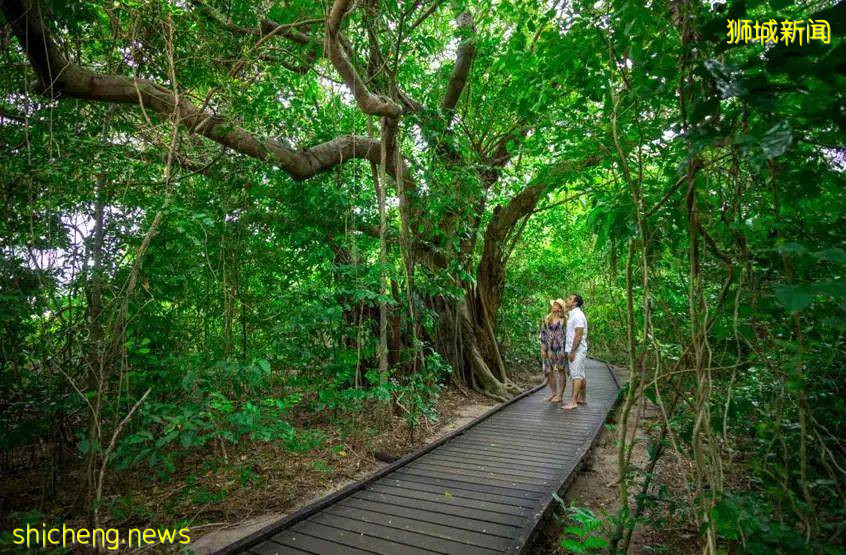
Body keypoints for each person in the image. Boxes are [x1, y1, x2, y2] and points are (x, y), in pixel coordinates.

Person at [562, 294, 588, 410]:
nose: (567, 300)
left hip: (577, 350)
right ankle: (582, 398)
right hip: (577, 349)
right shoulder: (573, 314)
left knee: (576, 376)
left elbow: (578, 334)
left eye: (570, 299)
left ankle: (573, 402)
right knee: (581, 374)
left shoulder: (577, 315)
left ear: (575, 303)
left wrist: (572, 352)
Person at [539, 299, 568, 402]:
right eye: (553, 304)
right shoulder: (547, 319)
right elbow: (543, 334)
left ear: (560, 308)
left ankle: (560, 395)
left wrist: (568, 350)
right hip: (549, 349)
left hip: (560, 349)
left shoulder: (565, 320)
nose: (553, 306)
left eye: (556, 305)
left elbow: (568, 335)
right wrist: (543, 348)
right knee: (549, 371)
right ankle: (553, 393)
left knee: (561, 370)